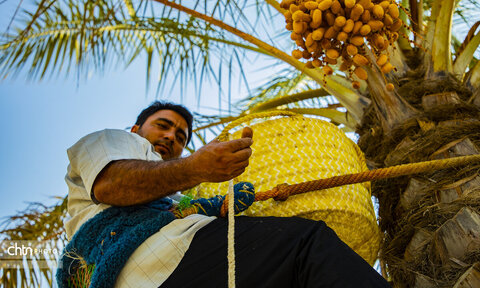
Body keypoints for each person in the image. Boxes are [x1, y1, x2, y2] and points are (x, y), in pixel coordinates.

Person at [63, 101, 390, 288]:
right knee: (306, 246)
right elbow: (112, 183)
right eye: (161, 126)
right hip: (158, 258)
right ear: (135, 130)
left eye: (180, 136)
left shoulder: (172, 197)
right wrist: (195, 168)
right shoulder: (112, 140)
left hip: (157, 273)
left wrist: (219, 206)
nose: (170, 137)